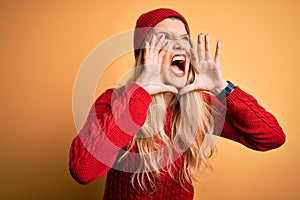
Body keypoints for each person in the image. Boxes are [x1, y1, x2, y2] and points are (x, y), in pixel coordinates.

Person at [69, 8, 285, 199]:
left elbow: (272, 137)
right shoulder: (115, 101)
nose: (178, 46)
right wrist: (140, 93)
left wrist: (221, 87)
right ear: (145, 53)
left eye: (183, 40)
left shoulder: (199, 106)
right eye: (165, 39)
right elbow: (83, 170)